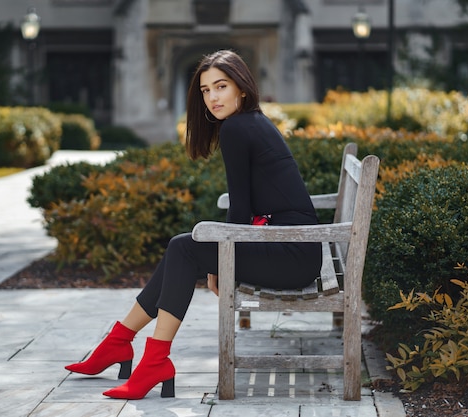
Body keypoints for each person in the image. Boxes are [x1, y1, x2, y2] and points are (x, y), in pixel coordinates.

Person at [64, 49, 322, 400]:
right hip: (295, 249)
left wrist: (220, 261)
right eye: (205, 90)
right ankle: (120, 342)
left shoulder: (237, 128)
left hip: (293, 255)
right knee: (182, 247)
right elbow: (245, 210)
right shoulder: (251, 122)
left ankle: (149, 357)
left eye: (221, 87)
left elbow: (241, 210)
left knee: (185, 248)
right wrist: (218, 259)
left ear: (241, 88)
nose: (213, 97)